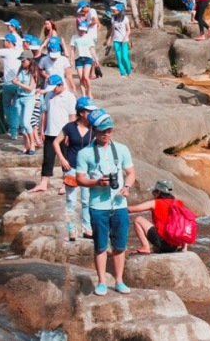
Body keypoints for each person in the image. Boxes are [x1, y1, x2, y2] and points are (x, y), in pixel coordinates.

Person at [76, 109, 136, 296]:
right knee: (100, 245)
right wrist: (97, 182)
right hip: (98, 206)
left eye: (109, 130)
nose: (106, 134)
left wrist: (127, 187)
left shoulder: (122, 149)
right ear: (94, 130)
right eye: (102, 131)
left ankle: (119, 281)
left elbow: (131, 173)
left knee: (119, 245)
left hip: (119, 205)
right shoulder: (84, 153)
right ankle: (102, 281)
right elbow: (80, 179)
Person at [54, 96, 98, 241]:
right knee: (71, 200)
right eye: (88, 111)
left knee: (86, 200)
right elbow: (56, 142)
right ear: (81, 112)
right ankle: (71, 229)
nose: (91, 114)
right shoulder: (70, 127)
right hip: (71, 166)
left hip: (87, 169)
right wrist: (62, 158)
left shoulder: (94, 128)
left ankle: (87, 228)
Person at [29, 74, 76, 193]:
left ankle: (66, 183)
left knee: (66, 159)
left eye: (54, 87)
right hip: (50, 132)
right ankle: (43, 183)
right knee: (48, 158)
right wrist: (42, 129)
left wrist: (70, 133)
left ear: (61, 85)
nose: (53, 90)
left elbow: (72, 116)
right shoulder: (49, 95)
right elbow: (44, 113)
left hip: (64, 133)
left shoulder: (69, 97)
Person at [128, 179, 189, 254]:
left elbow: (132, 209)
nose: (153, 193)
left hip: (161, 243)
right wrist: (184, 248)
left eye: (154, 191)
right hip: (174, 246)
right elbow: (184, 225)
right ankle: (184, 247)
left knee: (138, 219)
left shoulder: (155, 203)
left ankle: (145, 247)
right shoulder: (178, 204)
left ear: (159, 192)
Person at [12, 50, 38, 155]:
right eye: (21, 61)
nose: (22, 63)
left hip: (28, 99)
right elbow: (17, 81)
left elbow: (31, 88)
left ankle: (32, 145)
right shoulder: (20, 70)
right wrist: (15, 81)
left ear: (29, 60)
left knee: (26, 122)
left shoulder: (34, 72)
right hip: (19, 98)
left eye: (24, 61)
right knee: (21, 124)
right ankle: (26, 145)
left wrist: (18, 83)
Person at [70, 20, 98, 98]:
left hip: (88, 58)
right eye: (80, 29)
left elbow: (92, 49)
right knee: (81, 77)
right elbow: (72, 50)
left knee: (86, 76)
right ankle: (83, 95)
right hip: (78, 58)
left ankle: (89, 91)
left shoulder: (89, 37)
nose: (82, 31)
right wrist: (71, 60)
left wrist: (95, 59)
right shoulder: (74, 37)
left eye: (83, 29)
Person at [106, 3, 132, 78]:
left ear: (119, 10)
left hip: (124, 41)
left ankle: (128, 71)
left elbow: (128, 30)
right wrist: (109, 39)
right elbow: (112, 31)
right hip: (116, 40)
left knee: (125, 57)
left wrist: (125, 37)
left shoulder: (125, 19)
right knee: (119, 57)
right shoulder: (113, 19)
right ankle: (122, 73)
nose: (113, 11)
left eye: (115, 10)